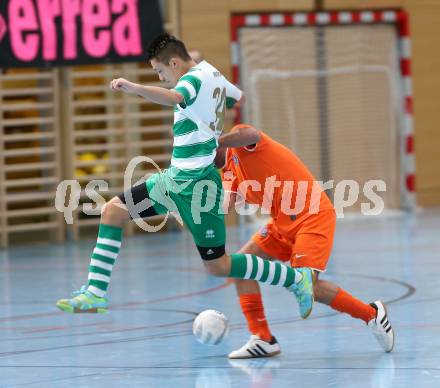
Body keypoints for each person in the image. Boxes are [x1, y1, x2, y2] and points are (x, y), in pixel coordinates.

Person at [56, 34, 315, 317]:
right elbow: (240, 96)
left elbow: (176, 96)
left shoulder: (190, 80)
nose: (162, 77)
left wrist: (132, 87)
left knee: (219, 265)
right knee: (112, 211)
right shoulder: (211, 73)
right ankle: (95, 293)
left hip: (198, 187)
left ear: (175, 63)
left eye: (160, 71)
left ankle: (294, 278)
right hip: (171, 182)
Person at [215, 124, 395, 358]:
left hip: (312, 216)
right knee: (242, 267)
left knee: (308, 287)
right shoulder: (227, 170)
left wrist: (219, 139)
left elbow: (251, 135)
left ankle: (371, 314)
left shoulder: (241, 140)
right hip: (281, 224)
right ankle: (262, 338)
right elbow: (227, 203)